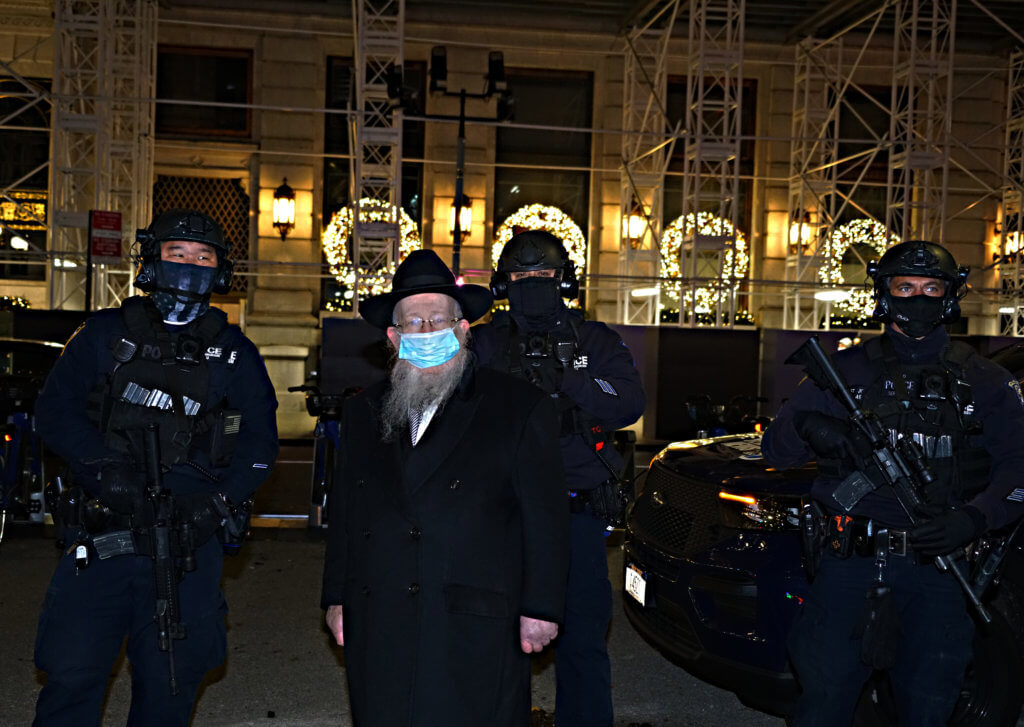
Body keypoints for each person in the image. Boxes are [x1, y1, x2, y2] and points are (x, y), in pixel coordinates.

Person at [32, 209, 279, 726]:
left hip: (188, 538)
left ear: (220, 271)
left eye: (203, 257)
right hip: (102, 529)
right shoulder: (101, 334)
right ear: (152, 261)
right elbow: (55, 412)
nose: (190, 266)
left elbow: (260, 444)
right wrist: (103, 469)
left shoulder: (235, 354)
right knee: (72, 670)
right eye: (177, 254)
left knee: (172, 678)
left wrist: (215, 504)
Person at [762, 240, 1024, 726]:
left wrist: (974, 518)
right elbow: (776, 451)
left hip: (940, 572)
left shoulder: (986, 382)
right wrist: (812, 428)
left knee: (928, 707)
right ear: (884, 294)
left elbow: (1019, 468)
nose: (918, 299)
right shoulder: (844, 370)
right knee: (823, 704)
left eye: (931, 288)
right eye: (906, 287)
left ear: (950, 297)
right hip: (849, 568)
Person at [320, 249, 569, 727]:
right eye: (414, 323)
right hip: (381, 611)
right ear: (393, 338)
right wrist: (336, 598)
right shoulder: (362, 412)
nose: (428, 332)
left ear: (463, 329)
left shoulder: (517, 407)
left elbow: (547, 518)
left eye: (440, 320)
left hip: (471, 613)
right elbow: (347, 515)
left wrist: (541, 607)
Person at [472, 230, 647, 727]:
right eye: (521, 276)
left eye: (543, 275)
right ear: (503, 283)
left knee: (583, 640)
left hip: (577, 515)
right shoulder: (483, 342)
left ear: (564, 279)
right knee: (498, 641)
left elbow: (629, 404)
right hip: (498, 515)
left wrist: (569, 378)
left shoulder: (595, 341)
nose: (533, 284)